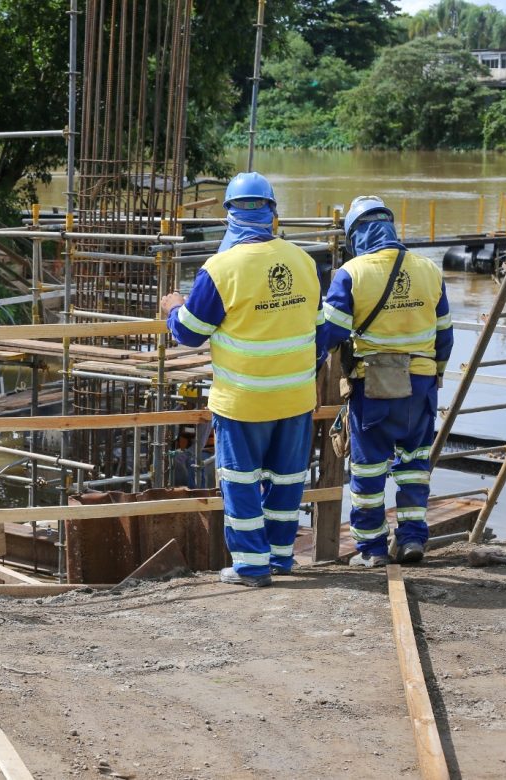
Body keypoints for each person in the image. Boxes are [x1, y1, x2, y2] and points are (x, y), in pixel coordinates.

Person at [160, 172, 325, 587]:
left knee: (241, 482)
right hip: (295, 397)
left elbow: (189, 334)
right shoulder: (304, 262)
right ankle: (281, 557)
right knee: (287, 481)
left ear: (229, 215)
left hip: (244, 400)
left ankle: (251, 565)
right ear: (272, 213)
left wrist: (173, 307)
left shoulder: (221, 268)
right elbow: (320, 331)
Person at [321, 195, 453, 568]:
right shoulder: (429, 270)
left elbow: (330, 333)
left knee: (368, 470)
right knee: (414, 466)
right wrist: (437, 374)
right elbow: (445, 335)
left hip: (374, 387)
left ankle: (373, 549)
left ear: (355, 235)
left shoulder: (352, 273)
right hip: (421, 386)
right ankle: (411, 539)